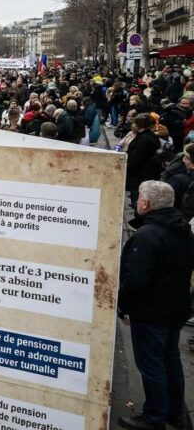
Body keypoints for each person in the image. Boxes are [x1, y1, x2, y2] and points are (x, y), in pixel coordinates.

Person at [117, 181, 194, 430]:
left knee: (152, 366)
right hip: (175, 307)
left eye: (139, 197)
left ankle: (154, 417)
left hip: (151, 312)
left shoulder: (148, 235)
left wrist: (123, 305)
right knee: (170, 361)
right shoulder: (182, 229)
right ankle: (175, 413)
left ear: (146, 203)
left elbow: (136, 280)